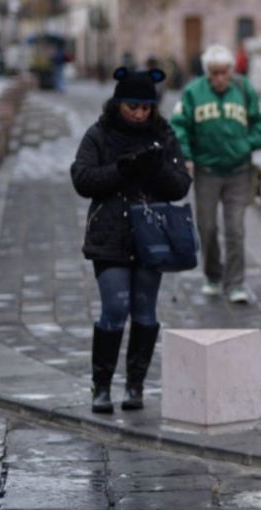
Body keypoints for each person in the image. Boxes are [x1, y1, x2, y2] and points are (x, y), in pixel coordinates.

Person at [71, 67, 192, 414]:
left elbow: (181, 185)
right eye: (132, 106)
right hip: (109, 234)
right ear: (119, 103)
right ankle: (102, 386)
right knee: (114, 309)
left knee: (145, 312)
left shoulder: (163, 135)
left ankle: (135, 386)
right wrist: (121, 170)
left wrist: (155, 169)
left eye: (145, 107)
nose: (139, 113)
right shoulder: (99, 135)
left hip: (151, 236)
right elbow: (82, 178)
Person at [171, 44, 261, 303]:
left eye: (224, 72)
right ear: (206, 73)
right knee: (208, 227)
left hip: (239, 171)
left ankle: (235, 283)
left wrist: (249, 144)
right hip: (206, 171)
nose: (219, 79)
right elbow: (179, 125)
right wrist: (186, 155)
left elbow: (260, 118)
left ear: (231, 71)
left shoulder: (244, 88)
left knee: (235, 229)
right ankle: (213, 275)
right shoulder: (193, 92)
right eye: (214, 73)